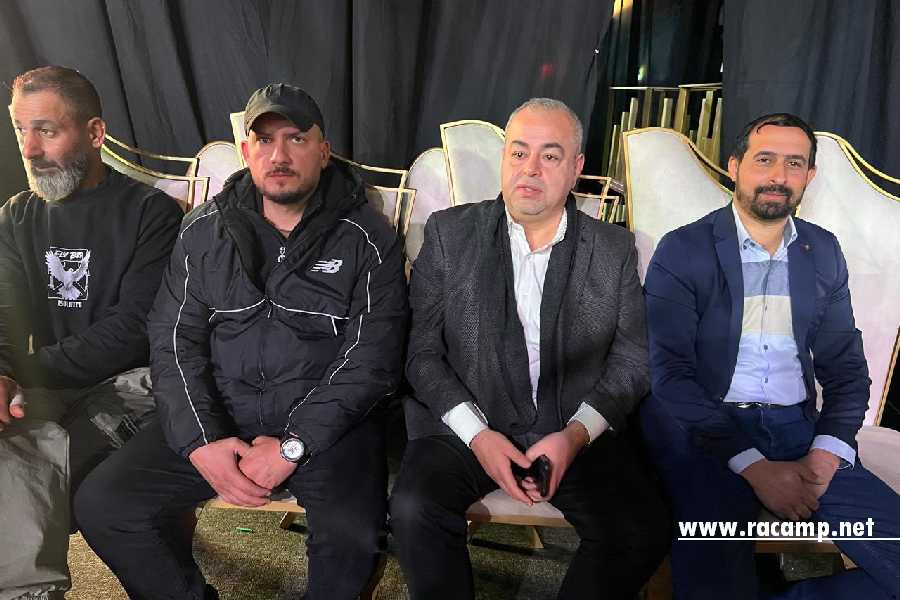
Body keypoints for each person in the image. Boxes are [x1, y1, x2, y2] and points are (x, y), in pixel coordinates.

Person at [73, 83, 408, 600]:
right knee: (104, 504)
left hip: (328, 429)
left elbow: (373, 358)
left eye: (297, 139)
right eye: (265, 141)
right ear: (247, 151)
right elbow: (173, 341)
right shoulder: (202, 232)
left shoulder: (370, 237)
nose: (280, 155)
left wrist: (295, 445)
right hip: (221, 414)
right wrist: (201, 440)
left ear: (323, 151)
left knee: (353, 536)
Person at [389, 97, 669, 600]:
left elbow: (632, 361)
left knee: (638, 528)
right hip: (465, 426)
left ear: (577, 167)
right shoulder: (450, 234)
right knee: (414, 510)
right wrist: (478, 436)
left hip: (572, 429)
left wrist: (576, 436)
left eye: (550, 155)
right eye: (519, 153)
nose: (530, 169)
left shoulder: (611, 248)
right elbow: (420, 352)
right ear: (504, 159)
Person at [640, 113, 900, 599]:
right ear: (735, 166)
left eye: (794, 163)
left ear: (809, 176)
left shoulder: (823, 251)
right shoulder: (684, 249)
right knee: (712, 578)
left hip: (798, 430)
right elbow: (669, 375)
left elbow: (846, 369)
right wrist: (755, 467)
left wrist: (826, 454)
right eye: (765, 160)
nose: (779, 175)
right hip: (706, 431)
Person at [0, 65, 183, 598]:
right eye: (20, 130)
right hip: (51, 383)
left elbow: (132, 331)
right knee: (12, 447)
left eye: (46, 130)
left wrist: (23, 372)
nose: (29, 149)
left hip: (136, 385)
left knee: (39, 465)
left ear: (95, 133)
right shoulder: (16, 217)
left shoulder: (151, 213)